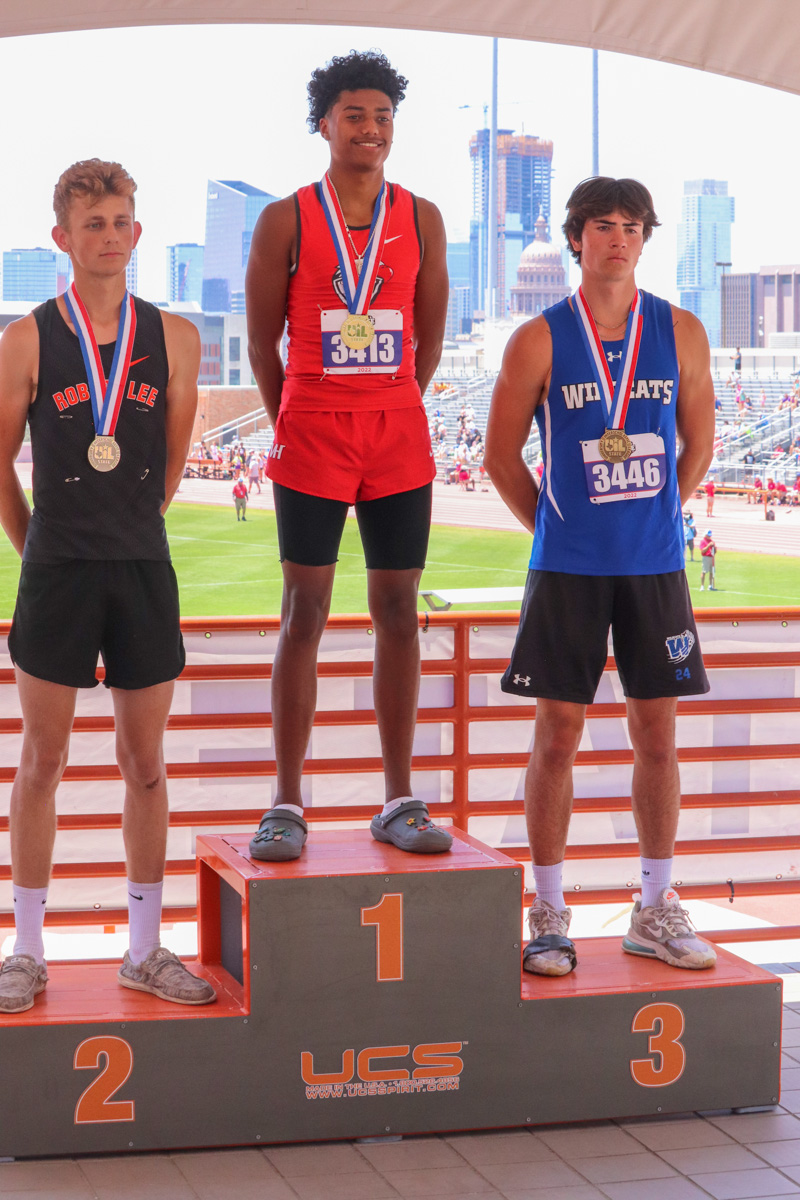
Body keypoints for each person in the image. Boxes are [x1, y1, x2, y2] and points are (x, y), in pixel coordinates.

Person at [484, 176, 716, 976]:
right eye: (603, 226)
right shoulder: (538, 339)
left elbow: (699, 444)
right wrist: (558, 525)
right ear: (575, 237)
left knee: (657, 736)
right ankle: (547, 910)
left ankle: (653, 904)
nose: (619, 238)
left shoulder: (681, 331)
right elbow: (499, 457)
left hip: (653, 567)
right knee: (558, 735)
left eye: (632, 226)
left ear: (646, 238)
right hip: (569, 569)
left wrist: (655, 516)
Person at [0, 159, 215, 1012]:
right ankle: (24, 950)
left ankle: (143, 946)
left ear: (137, 232)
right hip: (56, 572)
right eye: (90, 223)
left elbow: (168, 462)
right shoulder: (25, 338)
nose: (107, 235)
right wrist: (38, 545)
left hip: (141, 569)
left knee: (145, 763)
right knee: (41, 762)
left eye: (119, 220)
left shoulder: (178, 337)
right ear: (62, 238)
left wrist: (131, 530)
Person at [245, 50, 452, 861]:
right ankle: (286, 801)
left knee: (399, 613)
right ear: (324, 123)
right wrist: (292, 414)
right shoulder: (287, 218)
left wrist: (394, 397)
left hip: (398, 432)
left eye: (383, 117)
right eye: (355, 115)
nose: (370, 129)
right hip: (314, 430)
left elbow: (429, 337)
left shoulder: (422, 216)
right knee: (305, 614)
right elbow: (262, 340)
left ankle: (399, 797)